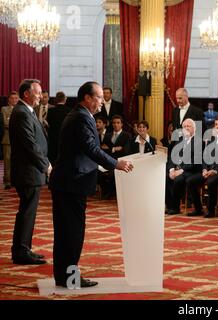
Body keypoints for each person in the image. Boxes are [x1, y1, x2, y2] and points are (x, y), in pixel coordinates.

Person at [49, 81, 133, 288]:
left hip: (68, 182)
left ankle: (64, 276)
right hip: (72, 183)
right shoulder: (80, 117)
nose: (102, 103)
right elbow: (90, 148)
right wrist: (116, 163)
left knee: (66, 232)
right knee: (72, 233)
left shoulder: (80, 115)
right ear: (87, 98)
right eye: (99, 98)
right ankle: (69, 278)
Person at [9, 79, 50, 265]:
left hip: (31, 171)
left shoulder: (27, 111)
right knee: (27, 212)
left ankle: (24, 248)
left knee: (28, 212)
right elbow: (30, 145)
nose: (40, 96)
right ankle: (21, 251)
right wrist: (46, 165)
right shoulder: (21, 112)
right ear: (26, 93)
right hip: (28, 172)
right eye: (38, 92)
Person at [0, 91, 19, 189]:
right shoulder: (4, 109)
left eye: (16, 98)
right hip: (7, 139)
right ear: (9, 100)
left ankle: (16, 180)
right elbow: (5, 123)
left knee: (18, 161)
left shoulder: (21, 109)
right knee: (7, 161)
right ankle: (7, 181)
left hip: (19, 140)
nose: (14, 100)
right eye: (12, 98)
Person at [47, 91, 71, 165]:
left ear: (56, 100)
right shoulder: (69, 111)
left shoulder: (50, 111)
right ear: (65, 99)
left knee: (53, 162)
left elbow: (49, 124)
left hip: (52, 140)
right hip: (65, 140)